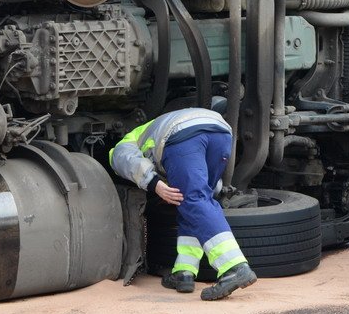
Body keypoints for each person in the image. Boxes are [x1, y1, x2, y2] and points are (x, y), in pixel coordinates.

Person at [109, 107, 256, 300]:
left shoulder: (126, 143)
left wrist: (154, 184)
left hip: (183, 136)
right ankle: (184, 272)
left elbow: (127, 160)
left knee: (192, 201)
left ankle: (234, 267)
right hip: (221, 133)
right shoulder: (153, 127)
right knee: (195, 203)